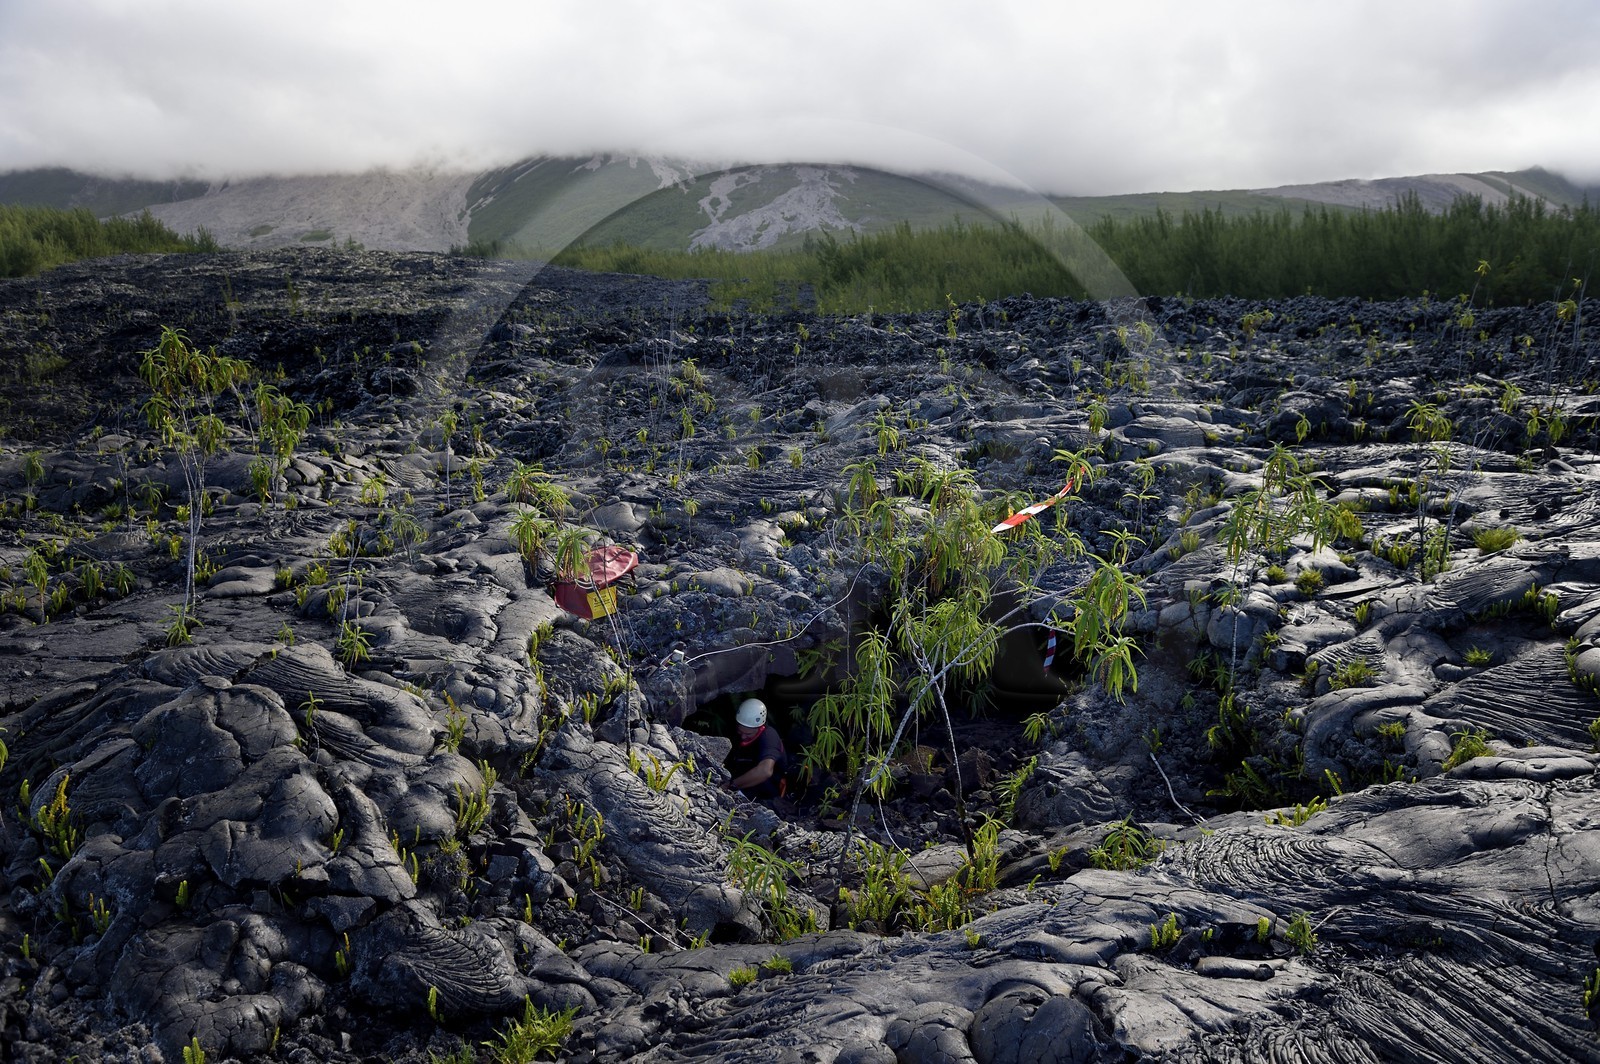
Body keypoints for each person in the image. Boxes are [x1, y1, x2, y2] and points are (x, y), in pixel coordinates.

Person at [722, 697, 787, 799]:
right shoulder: (736, 734)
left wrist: (732, 785)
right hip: (744, 780)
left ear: (760, 727)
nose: (743, 736)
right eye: (740, 732)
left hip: (766, 791)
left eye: (748, 734)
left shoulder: (769, 737)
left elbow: (765, 771)